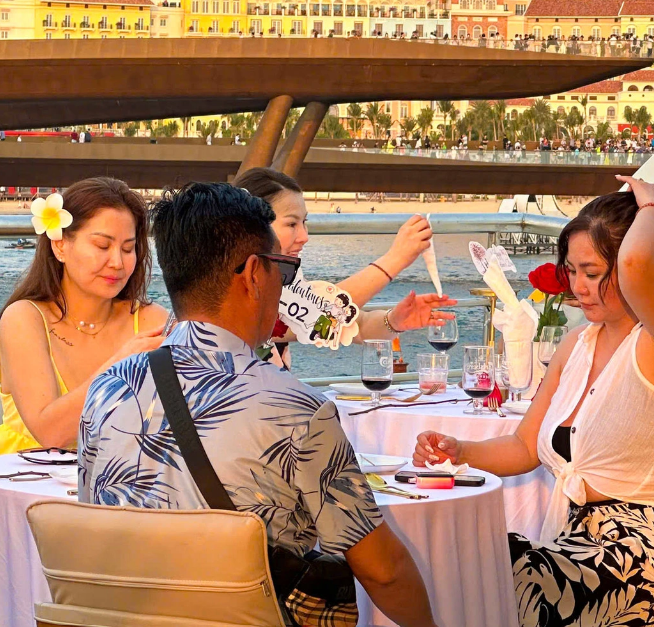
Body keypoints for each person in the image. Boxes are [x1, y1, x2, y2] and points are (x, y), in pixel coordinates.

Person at [80, 183, 438, 627]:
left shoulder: (107, 388)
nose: (283, 285)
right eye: (284, 271)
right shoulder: (297, 411)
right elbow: (384, 572)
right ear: (254, 274)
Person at [413, 178, 654, 626]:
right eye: (571, 271)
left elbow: (637, 263)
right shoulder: (577, 343)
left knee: (506, 577)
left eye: (593, 273)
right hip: (582, 550)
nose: (578, 286)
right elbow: (524, 447)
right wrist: (460, 452)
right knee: (454, 556)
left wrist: (653, 205)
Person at [0, 177, 167, 608]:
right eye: (102, 245)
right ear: (60, 246)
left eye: (129, 247)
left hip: (126, 494)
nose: (117, 261)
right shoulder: (24, 317)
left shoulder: (151, 319)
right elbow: (49, 430)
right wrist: (119, 364)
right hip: (27, 494)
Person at [233, 168, 455, 367]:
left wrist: (396, 320)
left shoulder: (283, 284)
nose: (304, 236)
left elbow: (353, 325)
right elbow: (325, 311)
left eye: (304, 223)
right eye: (292, 224)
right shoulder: (235, 291)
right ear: (253, 226)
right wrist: (396, 258)